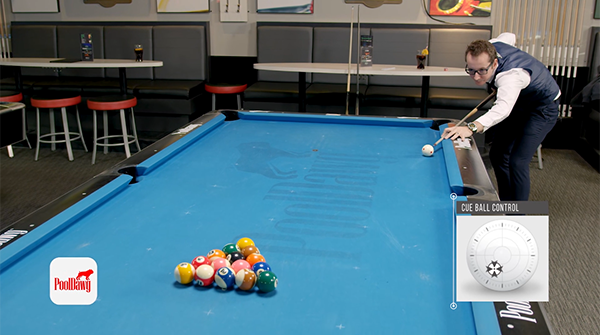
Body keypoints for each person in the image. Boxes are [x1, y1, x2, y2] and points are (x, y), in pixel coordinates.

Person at [442, 32, 561, 201]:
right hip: (518, 104)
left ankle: (518, 215)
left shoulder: (510, 77)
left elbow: (503, 109)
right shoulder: (493, 44)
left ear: (495, 62)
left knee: (518, 162)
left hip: (542, 109)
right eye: (471, 70)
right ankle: (505, 203)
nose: (476, 77)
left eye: (482, 70)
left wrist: (471, 127)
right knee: (497, 155)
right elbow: (510, 36)